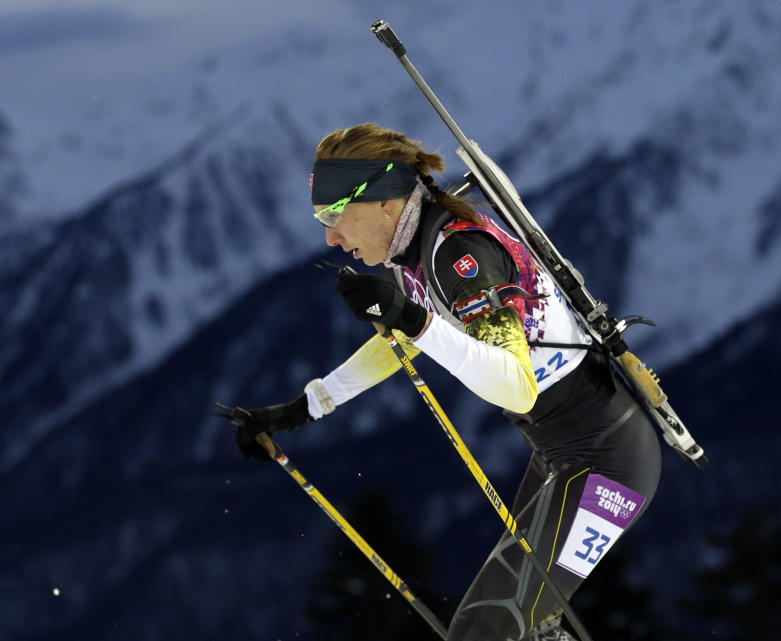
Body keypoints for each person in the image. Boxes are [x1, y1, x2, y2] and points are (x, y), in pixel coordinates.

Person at [225, 123, 662, 641]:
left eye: (335, 214)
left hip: (605, 461)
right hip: (565, 453)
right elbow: (405, 342)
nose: (330, 237)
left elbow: (515, 385)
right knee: (516, 630)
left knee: (482, 632)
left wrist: (413, 320)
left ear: (386, 202)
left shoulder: (458, 255)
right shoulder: (414, 248)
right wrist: (307, 406)